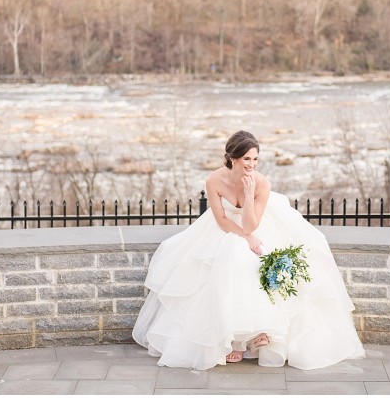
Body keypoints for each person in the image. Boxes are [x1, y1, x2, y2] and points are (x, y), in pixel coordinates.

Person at [132, 130, 365, 370]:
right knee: (232, 255)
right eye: (246, 159)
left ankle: (260, 332)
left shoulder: (261, 183)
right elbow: (222, 220)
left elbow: (252, 224)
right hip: (224, 229)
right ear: (232, 157)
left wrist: (248, 196)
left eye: (255, 159)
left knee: (253, 258)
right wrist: (247, 237)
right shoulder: (214, 180)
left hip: (256, 223)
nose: (251, 165)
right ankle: (234, 337)